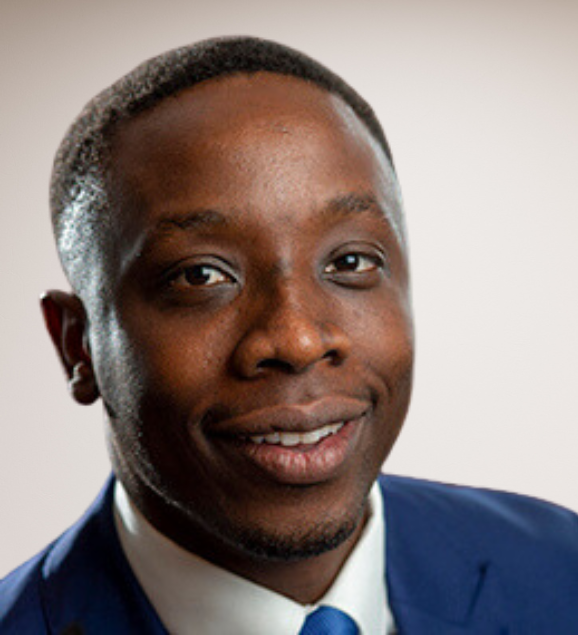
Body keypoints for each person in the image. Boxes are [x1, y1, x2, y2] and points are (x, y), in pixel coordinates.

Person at [0, 35, 577, 634]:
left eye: (350, 262)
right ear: (77, 346)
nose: (298, 341)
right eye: (201, 276)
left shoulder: (562, 570)